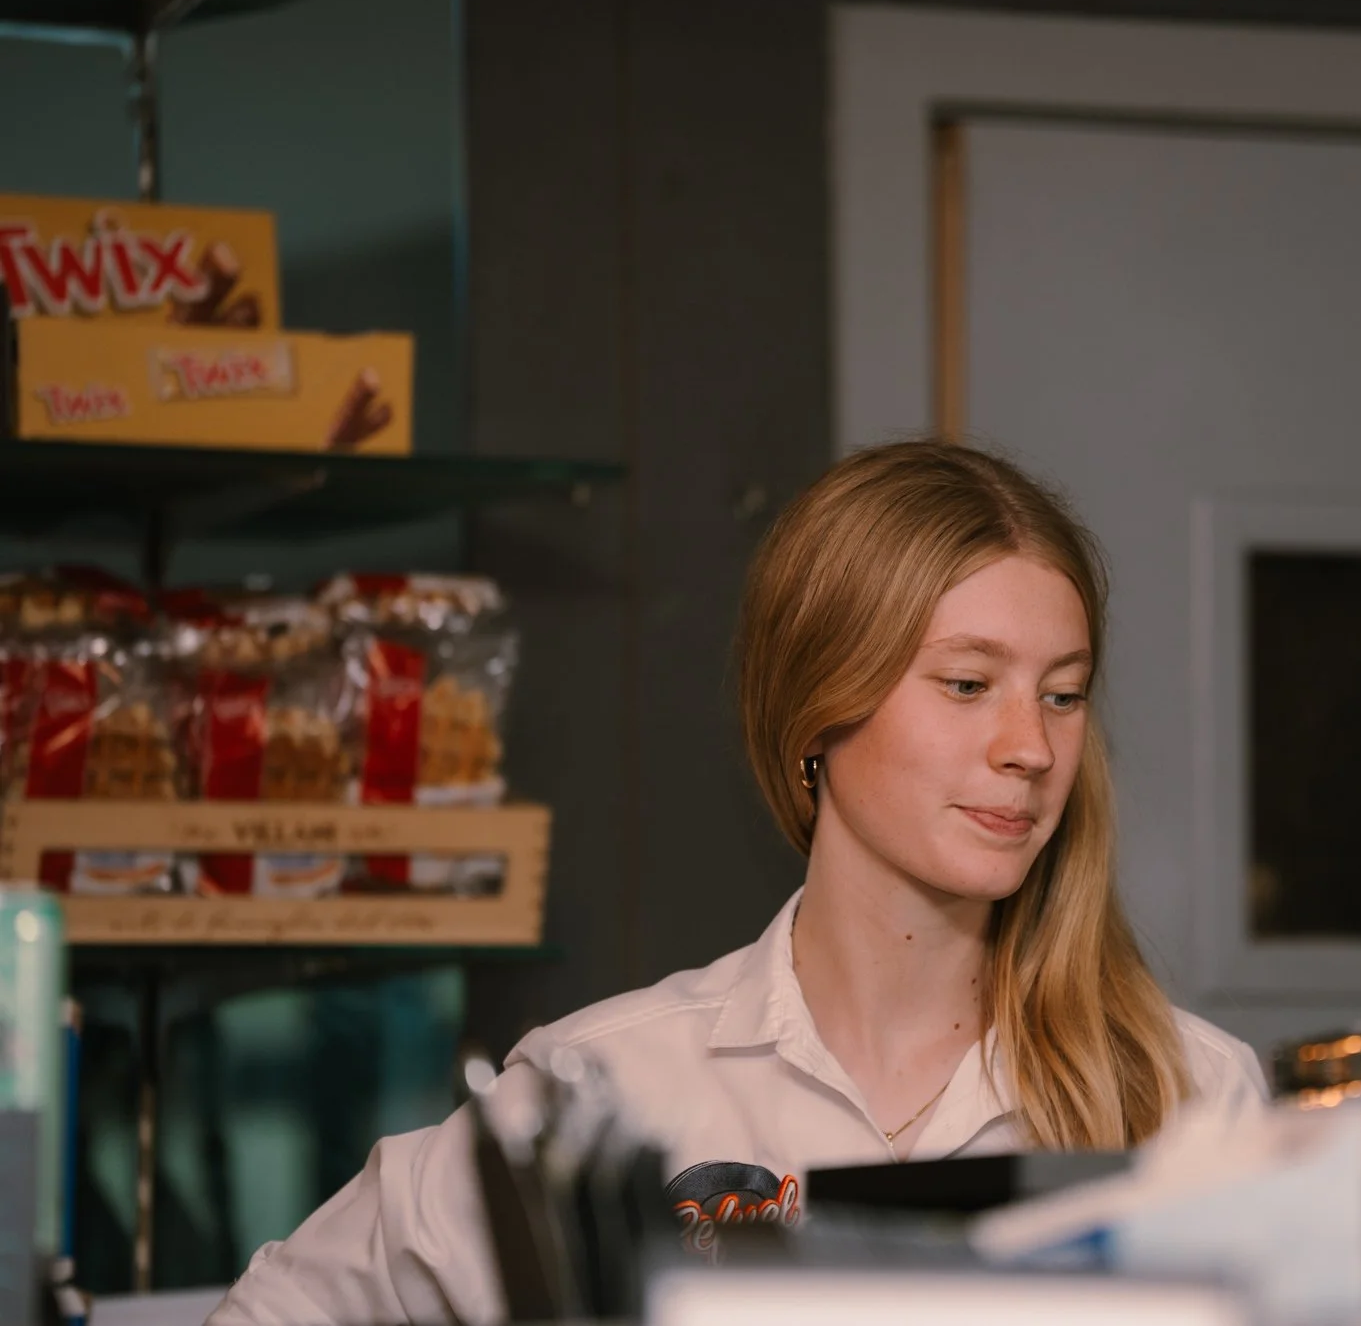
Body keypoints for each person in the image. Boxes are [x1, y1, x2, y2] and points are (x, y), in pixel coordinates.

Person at [206, 439, 1267, 1325]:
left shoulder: (1189, 1101)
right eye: (966, 684)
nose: (1028, 746)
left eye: (1063, 694)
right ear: (820, 705)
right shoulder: (601, 1092)